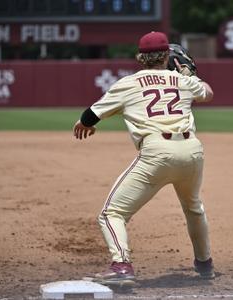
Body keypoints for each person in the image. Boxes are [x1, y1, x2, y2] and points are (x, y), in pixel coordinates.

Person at [73, 31, 214, 285]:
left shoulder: (128, 83)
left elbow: (89, 115)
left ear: (140, 57)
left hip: (157, 153)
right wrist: (188, 74)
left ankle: (121, 266)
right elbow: (208, 92)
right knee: (193, 207)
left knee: (111, 213)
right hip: (192, 151)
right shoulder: (181, 80)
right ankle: (205, 265)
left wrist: (85, 124)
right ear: (167, 56)